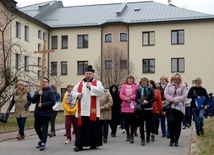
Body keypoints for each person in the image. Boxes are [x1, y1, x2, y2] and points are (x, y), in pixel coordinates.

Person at [71, 65, 104, 152]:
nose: (88, 75)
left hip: (93, 111)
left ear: (93, 75)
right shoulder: (80, 83)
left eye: (90, 73)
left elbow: (101, 91)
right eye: (86, 73)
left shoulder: (97, 83)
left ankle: (93, 144)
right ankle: (79, 145)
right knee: (82, 128)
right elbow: (73, 93)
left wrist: (91, 87)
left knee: (93, 128)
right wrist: (77, 95)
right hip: (82, 111)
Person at [30, 77, 56, 151]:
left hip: (46, 113)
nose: (44, 83)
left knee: (44, 128)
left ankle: (43, 142)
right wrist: (38, 94)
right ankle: (42, 139)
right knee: (36, 127)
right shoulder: (38, 92)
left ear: (48, 83)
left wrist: (43, 104)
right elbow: (33, 101)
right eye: (42, 82)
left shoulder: (50, 92)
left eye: (45, 82)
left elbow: (53, 102)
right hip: (38, 113)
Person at [164, 73, 187, 147]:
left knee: (177, 124)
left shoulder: (183, 86)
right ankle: (171, 139)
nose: (175, 81)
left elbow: (184, 96)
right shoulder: (169, 85)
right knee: (171, 122)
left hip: (179, 107)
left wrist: (176, 99)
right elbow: (166, 94)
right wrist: (172, 100)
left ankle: (176, 139)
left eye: (176, 79)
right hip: (170, 106)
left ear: (179, 80)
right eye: (174, 79)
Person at [135, 77, 155, 146]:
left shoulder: (150, 89)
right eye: (142, 83)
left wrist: (148, 102)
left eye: (145, 83)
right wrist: (141, 102)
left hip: (148, 108)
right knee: (141, 125)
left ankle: (148, 136)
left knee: (148, 124)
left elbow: (153, 98)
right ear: (140, 83)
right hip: (141, 109)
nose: (144, 84)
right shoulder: (138, 90)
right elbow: (136, 99)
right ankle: (142, 138)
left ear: (147, 83)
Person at [119, 75, 138, 143]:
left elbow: (136, 94)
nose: (130, 80)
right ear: (127, 80)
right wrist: (126, 98)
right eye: (129, 79)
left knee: (132, 121)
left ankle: (132, 135)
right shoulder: (123, 86)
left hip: (132, 105)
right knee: (126, 122)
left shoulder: (136, 86)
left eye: (131, 79)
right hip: (125, 105)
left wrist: (131, 98)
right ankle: (128, 134)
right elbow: (121, 95)